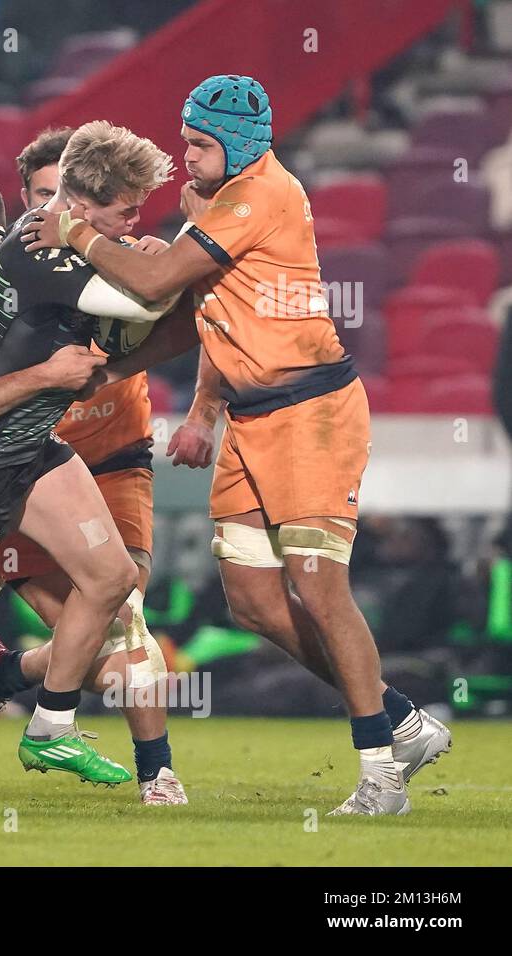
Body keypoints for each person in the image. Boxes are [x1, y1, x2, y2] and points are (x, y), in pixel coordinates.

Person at [22, 74, 453, 815]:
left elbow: (158, 280)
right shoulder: (214, 200)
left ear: (239, 144)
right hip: (249, 420)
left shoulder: (258, 196)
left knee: (319, 586)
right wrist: (176, 399)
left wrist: (80, 234)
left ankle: (381, 771)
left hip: (312, 412)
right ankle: (400, 719)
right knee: (253, 602)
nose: (185, 155)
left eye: (197, 143)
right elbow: (204, 314)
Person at [0, 126, 190, 805]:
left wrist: (130, 248)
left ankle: (52, 725)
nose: (135, 222)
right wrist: (171, 252)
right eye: (129, 210)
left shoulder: (61, 244)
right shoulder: (35, 249)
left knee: (112, 580)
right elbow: (153, 295)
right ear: (89, 201)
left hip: (39, 451)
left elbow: (143, 296)